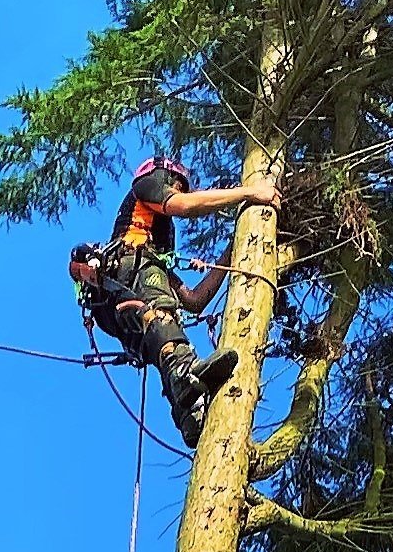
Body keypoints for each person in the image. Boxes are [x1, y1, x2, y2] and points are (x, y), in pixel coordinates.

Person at [70, 155, 280, 442]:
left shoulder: (154, 248)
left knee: (161, 338)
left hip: (118, 307)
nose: (179, 190)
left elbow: (195, 300)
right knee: (161, 315)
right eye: (177, 184)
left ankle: (187, 413)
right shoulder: (145, 187)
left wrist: (233, 248)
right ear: (165, 175)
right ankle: (186, 375)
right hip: (128, 274)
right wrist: (250, 193)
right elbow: (182, 206)